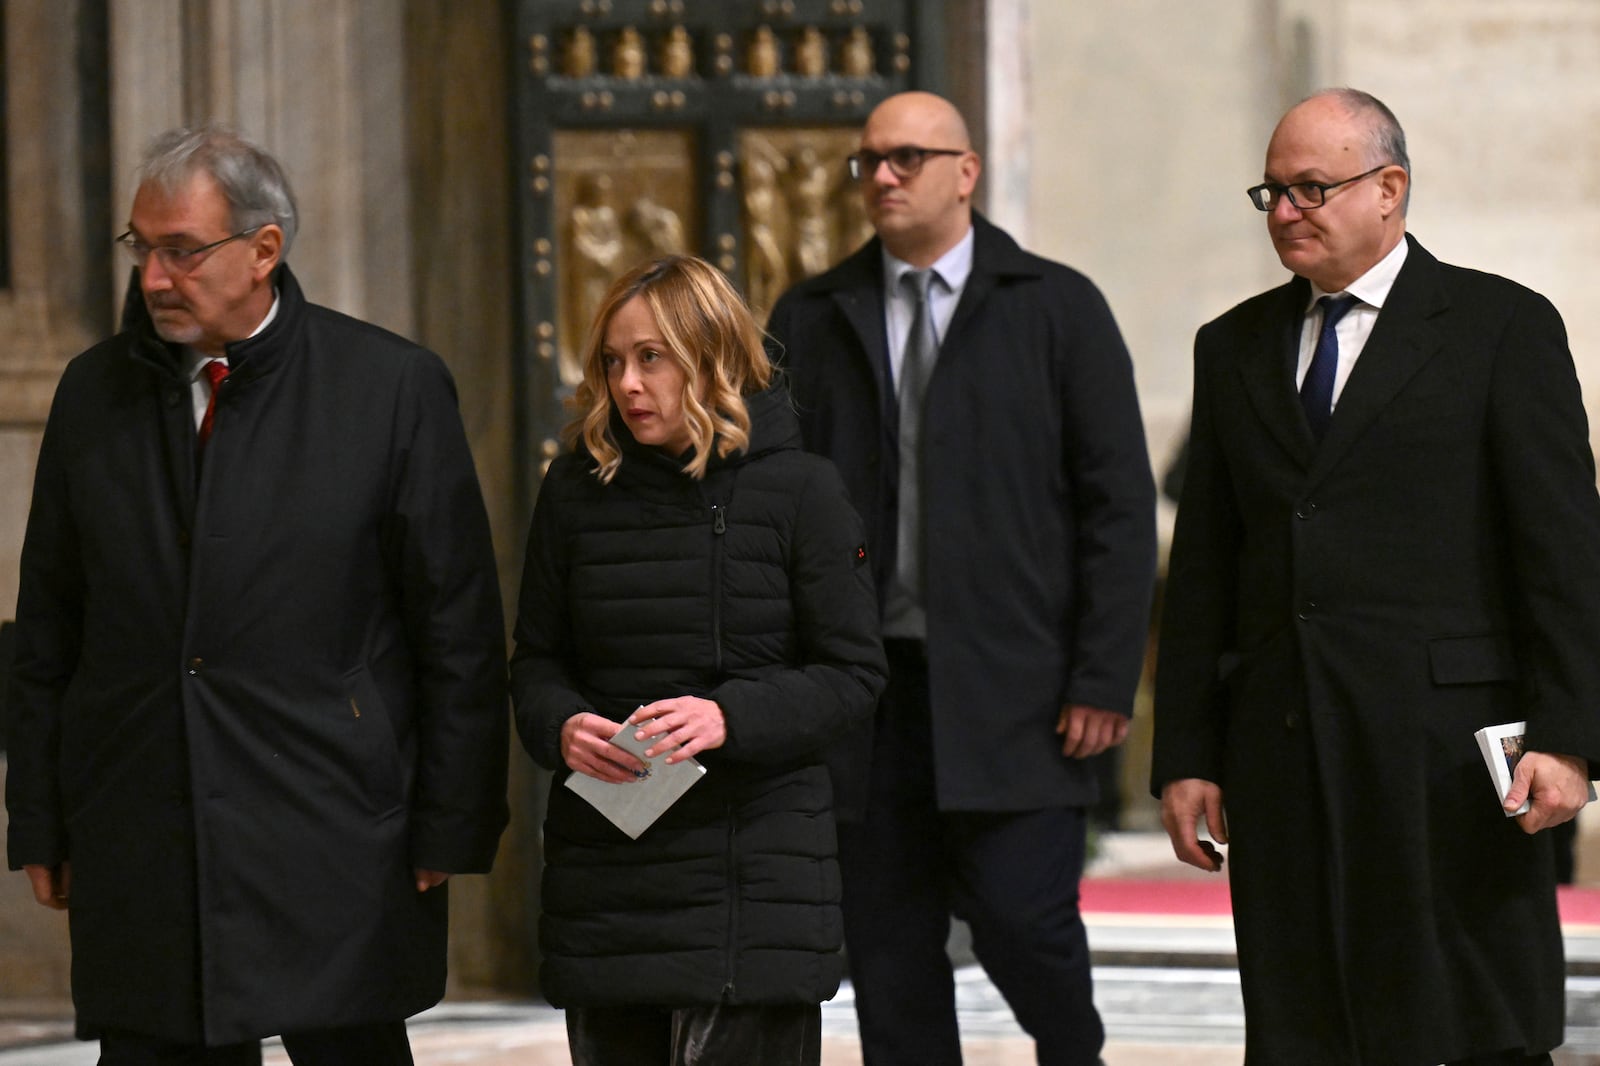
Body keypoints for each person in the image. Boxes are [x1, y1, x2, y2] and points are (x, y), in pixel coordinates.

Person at [4, 126, 509, 1065]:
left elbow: (458, 631)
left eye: (181, 250)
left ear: (264, 250)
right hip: (145, 815)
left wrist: (452, 819)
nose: (154, 276)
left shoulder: (389, 387)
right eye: (140, 247)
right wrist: (37, 811)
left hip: (333, 821)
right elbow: (49, 626)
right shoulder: (93, 394)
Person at [1153, 88, 1600, 1066]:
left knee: (1470, 1021)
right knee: (1304, 1026)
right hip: (1283, 744)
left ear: (1389, 188)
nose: (1284, 212)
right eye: (1270, 192)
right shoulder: (1231, 345)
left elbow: (1564, 555)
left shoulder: (1498, 326)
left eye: (1310, 188)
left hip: (1445, 753)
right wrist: (1186, 749)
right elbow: (1205, 569)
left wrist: (1569, 739)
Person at [765, 91, 1156, 1066]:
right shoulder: (810, 316)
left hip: (1017, 688)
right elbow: (775, 507)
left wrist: (1103, 677)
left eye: (905, 158)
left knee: (1027, 924)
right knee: (889, 951)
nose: (882, 178)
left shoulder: (1056, 307)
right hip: (864, 694)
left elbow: (1117, 508)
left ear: (966, 171)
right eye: (867, 162)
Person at [510, 254, 887, 1066]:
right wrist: (562, 727)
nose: (629, 384)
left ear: (711, 357)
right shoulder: (576, 490)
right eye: (613, 361)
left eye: (653, 358)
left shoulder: (800, 491)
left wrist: (728, 716)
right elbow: (535, 661)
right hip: (612, 876)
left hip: (754, 875)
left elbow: (854, 673)